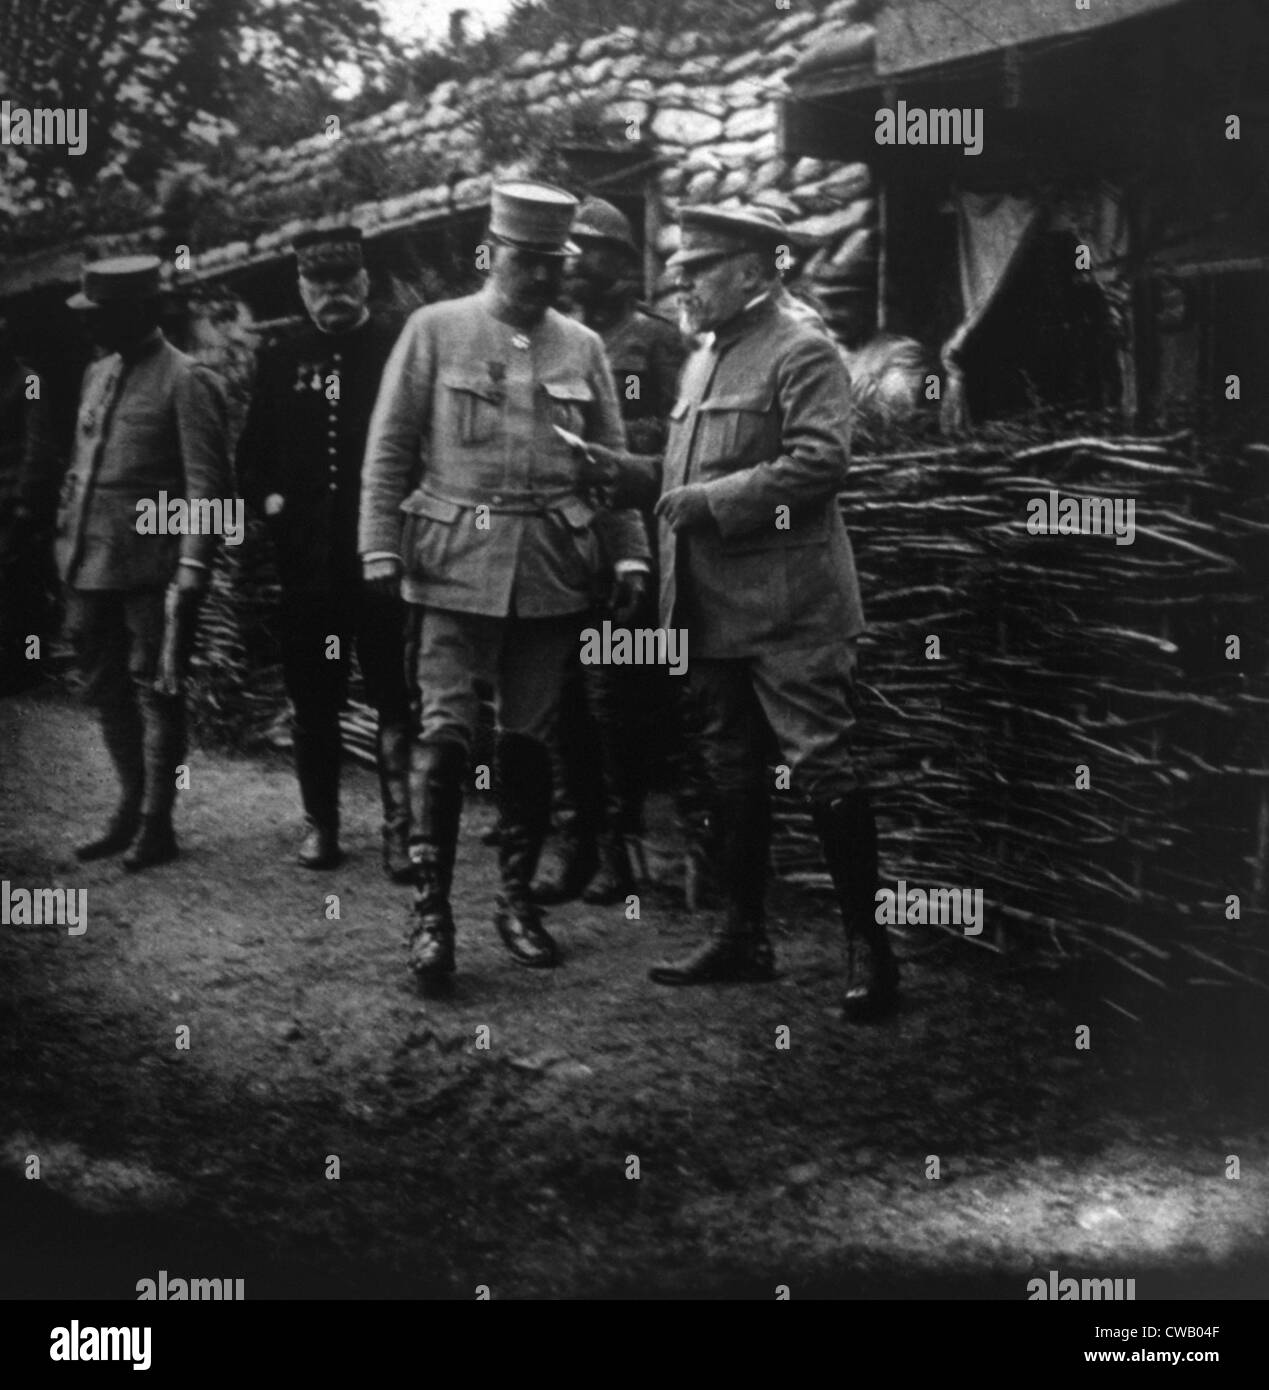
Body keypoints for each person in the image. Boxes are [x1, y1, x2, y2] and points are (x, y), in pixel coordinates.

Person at [578, 205, 901, 1021]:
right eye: (681, 266)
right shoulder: (705, 357)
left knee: (822, 763)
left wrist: (707, 501)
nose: (682, 281)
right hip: (710, 606)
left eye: (701, 267)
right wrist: (626, 472)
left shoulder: (803, 348)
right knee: (730, 771)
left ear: (758, 270)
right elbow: (688, 470)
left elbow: (821, 463)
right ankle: (742, 936)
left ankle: (871, 949)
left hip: (789, 604)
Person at [358, 180, 649, 985]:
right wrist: (379, 547)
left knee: (528, 740)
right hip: (449, 564)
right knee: (445, 737)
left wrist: (628, 555)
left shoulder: (581, 346)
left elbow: (610, 467)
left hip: (550, 570)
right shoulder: (435, 330)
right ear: (493, 254)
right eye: (528, 260)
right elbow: (388, 450)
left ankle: (515, 901)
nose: (545, 275)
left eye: (557, 262)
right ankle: (431, 913)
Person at [236, 226, 414, 876]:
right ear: (302, 289)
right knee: (313, 701)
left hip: (382, 562)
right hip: (307, 568)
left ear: (365, 282)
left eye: (345, 283)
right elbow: (251, 460)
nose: (333, 295)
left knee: (396, 695)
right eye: (319, 285)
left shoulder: (397, 346)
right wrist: (274, 502)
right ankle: (321, 826)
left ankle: (401, 829)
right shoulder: (282, 358)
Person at [531, 195, 693, 907]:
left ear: (620, 262)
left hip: (634, 551)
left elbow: (690, 448)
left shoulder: (655, 341)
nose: (572, 265)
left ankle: (626, 847)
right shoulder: (550, 341)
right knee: (561, 699)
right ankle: (578, 842)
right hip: (561, 548)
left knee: (618, 702)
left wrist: (621, 454)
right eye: (565, 252)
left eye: (587, 250)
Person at [57, 256, 230, 870]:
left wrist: (191, 570)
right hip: (88, 564)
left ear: (140, 312)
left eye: (103, 315)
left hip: (153, 570)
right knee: (104, 688)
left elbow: (207, 488)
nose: (92, 327)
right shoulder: (98, 373)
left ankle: (159, 821)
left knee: (158, 690)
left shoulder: (188, 380)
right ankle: (130, 805)